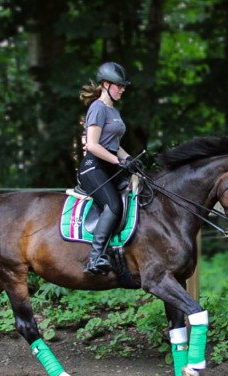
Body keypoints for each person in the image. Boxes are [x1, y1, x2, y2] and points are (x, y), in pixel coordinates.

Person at [78, 61, 141, 275]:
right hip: (93, 168)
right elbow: (94, 145)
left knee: (135, 195)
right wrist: (119, 161)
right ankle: (95, 258)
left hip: (110, 167)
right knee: (113, 205)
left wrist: (129, 159)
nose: (122, 89)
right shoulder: (97, 108)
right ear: (106, 84)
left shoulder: (113, 110)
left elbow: (114, 144)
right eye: (119, 85)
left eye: (123, 86)